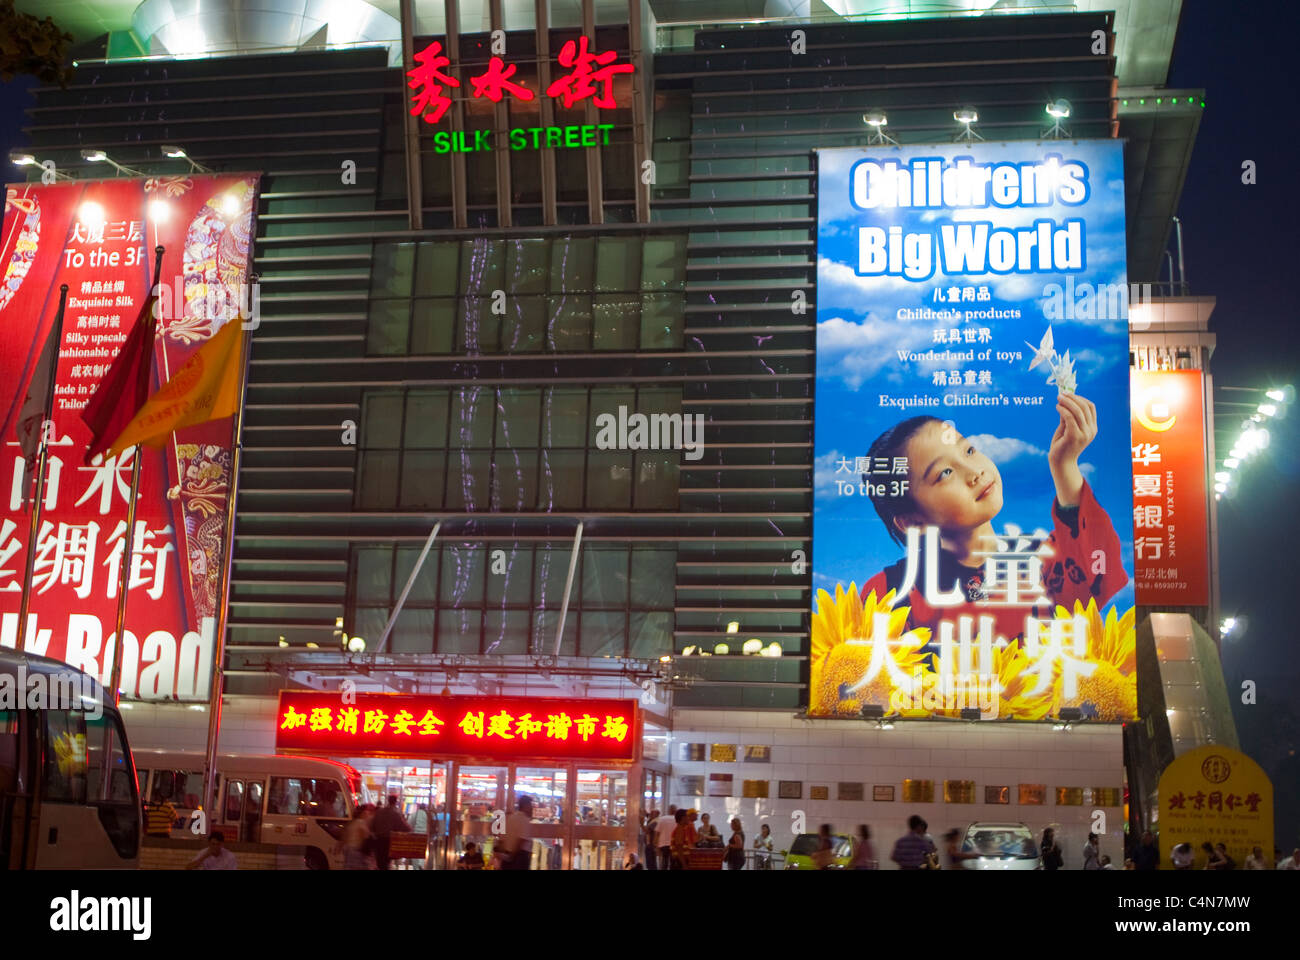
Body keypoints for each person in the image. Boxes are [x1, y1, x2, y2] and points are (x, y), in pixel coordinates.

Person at [859, 401, 1127, 651]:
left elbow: (1097, 573)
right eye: (945, 473)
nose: (974, 471)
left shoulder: (1041, 561)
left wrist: (1064, 464)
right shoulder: (889, 593)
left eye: (969, 450)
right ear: (913, 521)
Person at [370, 794, 412, 870]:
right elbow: (404, 827)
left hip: (378, 841)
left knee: (380, 862)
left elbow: (372, 826)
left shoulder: (379, 812)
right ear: (395, 802)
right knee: (386, 863)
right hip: (388, 842)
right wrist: (410, 829)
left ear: (388, 801)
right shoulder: (395, 813)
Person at [496, 795, 534, 870]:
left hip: (507, 855)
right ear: (525, 806)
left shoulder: (510, 818)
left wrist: (502, 856)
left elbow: (502, 839)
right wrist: (512, 856)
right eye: (530, 805)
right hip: (519, 857)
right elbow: (521, 840)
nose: (531, 808)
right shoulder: (524, 819)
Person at [341, 803, 375, 870]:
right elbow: (366, 836)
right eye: (365, 813)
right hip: (356, 851)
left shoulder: (352, 822)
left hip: (349, 849)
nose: (367, 815)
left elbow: (344, 836)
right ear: (362, 814)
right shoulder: (361, 823)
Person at [655, 805, 678, 871]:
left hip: (663, 844)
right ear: (676, 811)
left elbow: (657, 833)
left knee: (664, 862)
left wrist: (656, 846)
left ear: (669, 810)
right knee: (673, 862)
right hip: (674, 844)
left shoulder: (662, 819)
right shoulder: (678, 820)